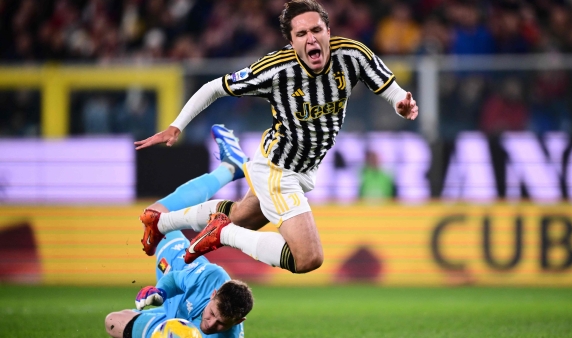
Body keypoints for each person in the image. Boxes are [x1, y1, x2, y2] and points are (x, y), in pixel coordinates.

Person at [134, 0, 419, 275]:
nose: (311, 39)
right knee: (308, 257)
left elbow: (391, 89)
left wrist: (401, 105)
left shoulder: (353, 55)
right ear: (291, 41)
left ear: (328, 32)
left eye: (317, 30)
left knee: (239, 217)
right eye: (302, 34)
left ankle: (161, 222)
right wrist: (176, 125)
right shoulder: (275, 69)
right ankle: (223, 235)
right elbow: (214, 87)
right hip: (279, 170)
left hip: (305, 166)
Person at [105, 127, 253, 338]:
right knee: (154, 217)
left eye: (222, 324)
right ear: (213, 295)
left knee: (113, 323)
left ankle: (230, 167)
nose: (211, 324)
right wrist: (160, 292)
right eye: (212, 313)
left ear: (238, 322)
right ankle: (231, 167)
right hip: (177, 270)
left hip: (170, 321)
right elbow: (176, 279)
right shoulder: (212, 277)